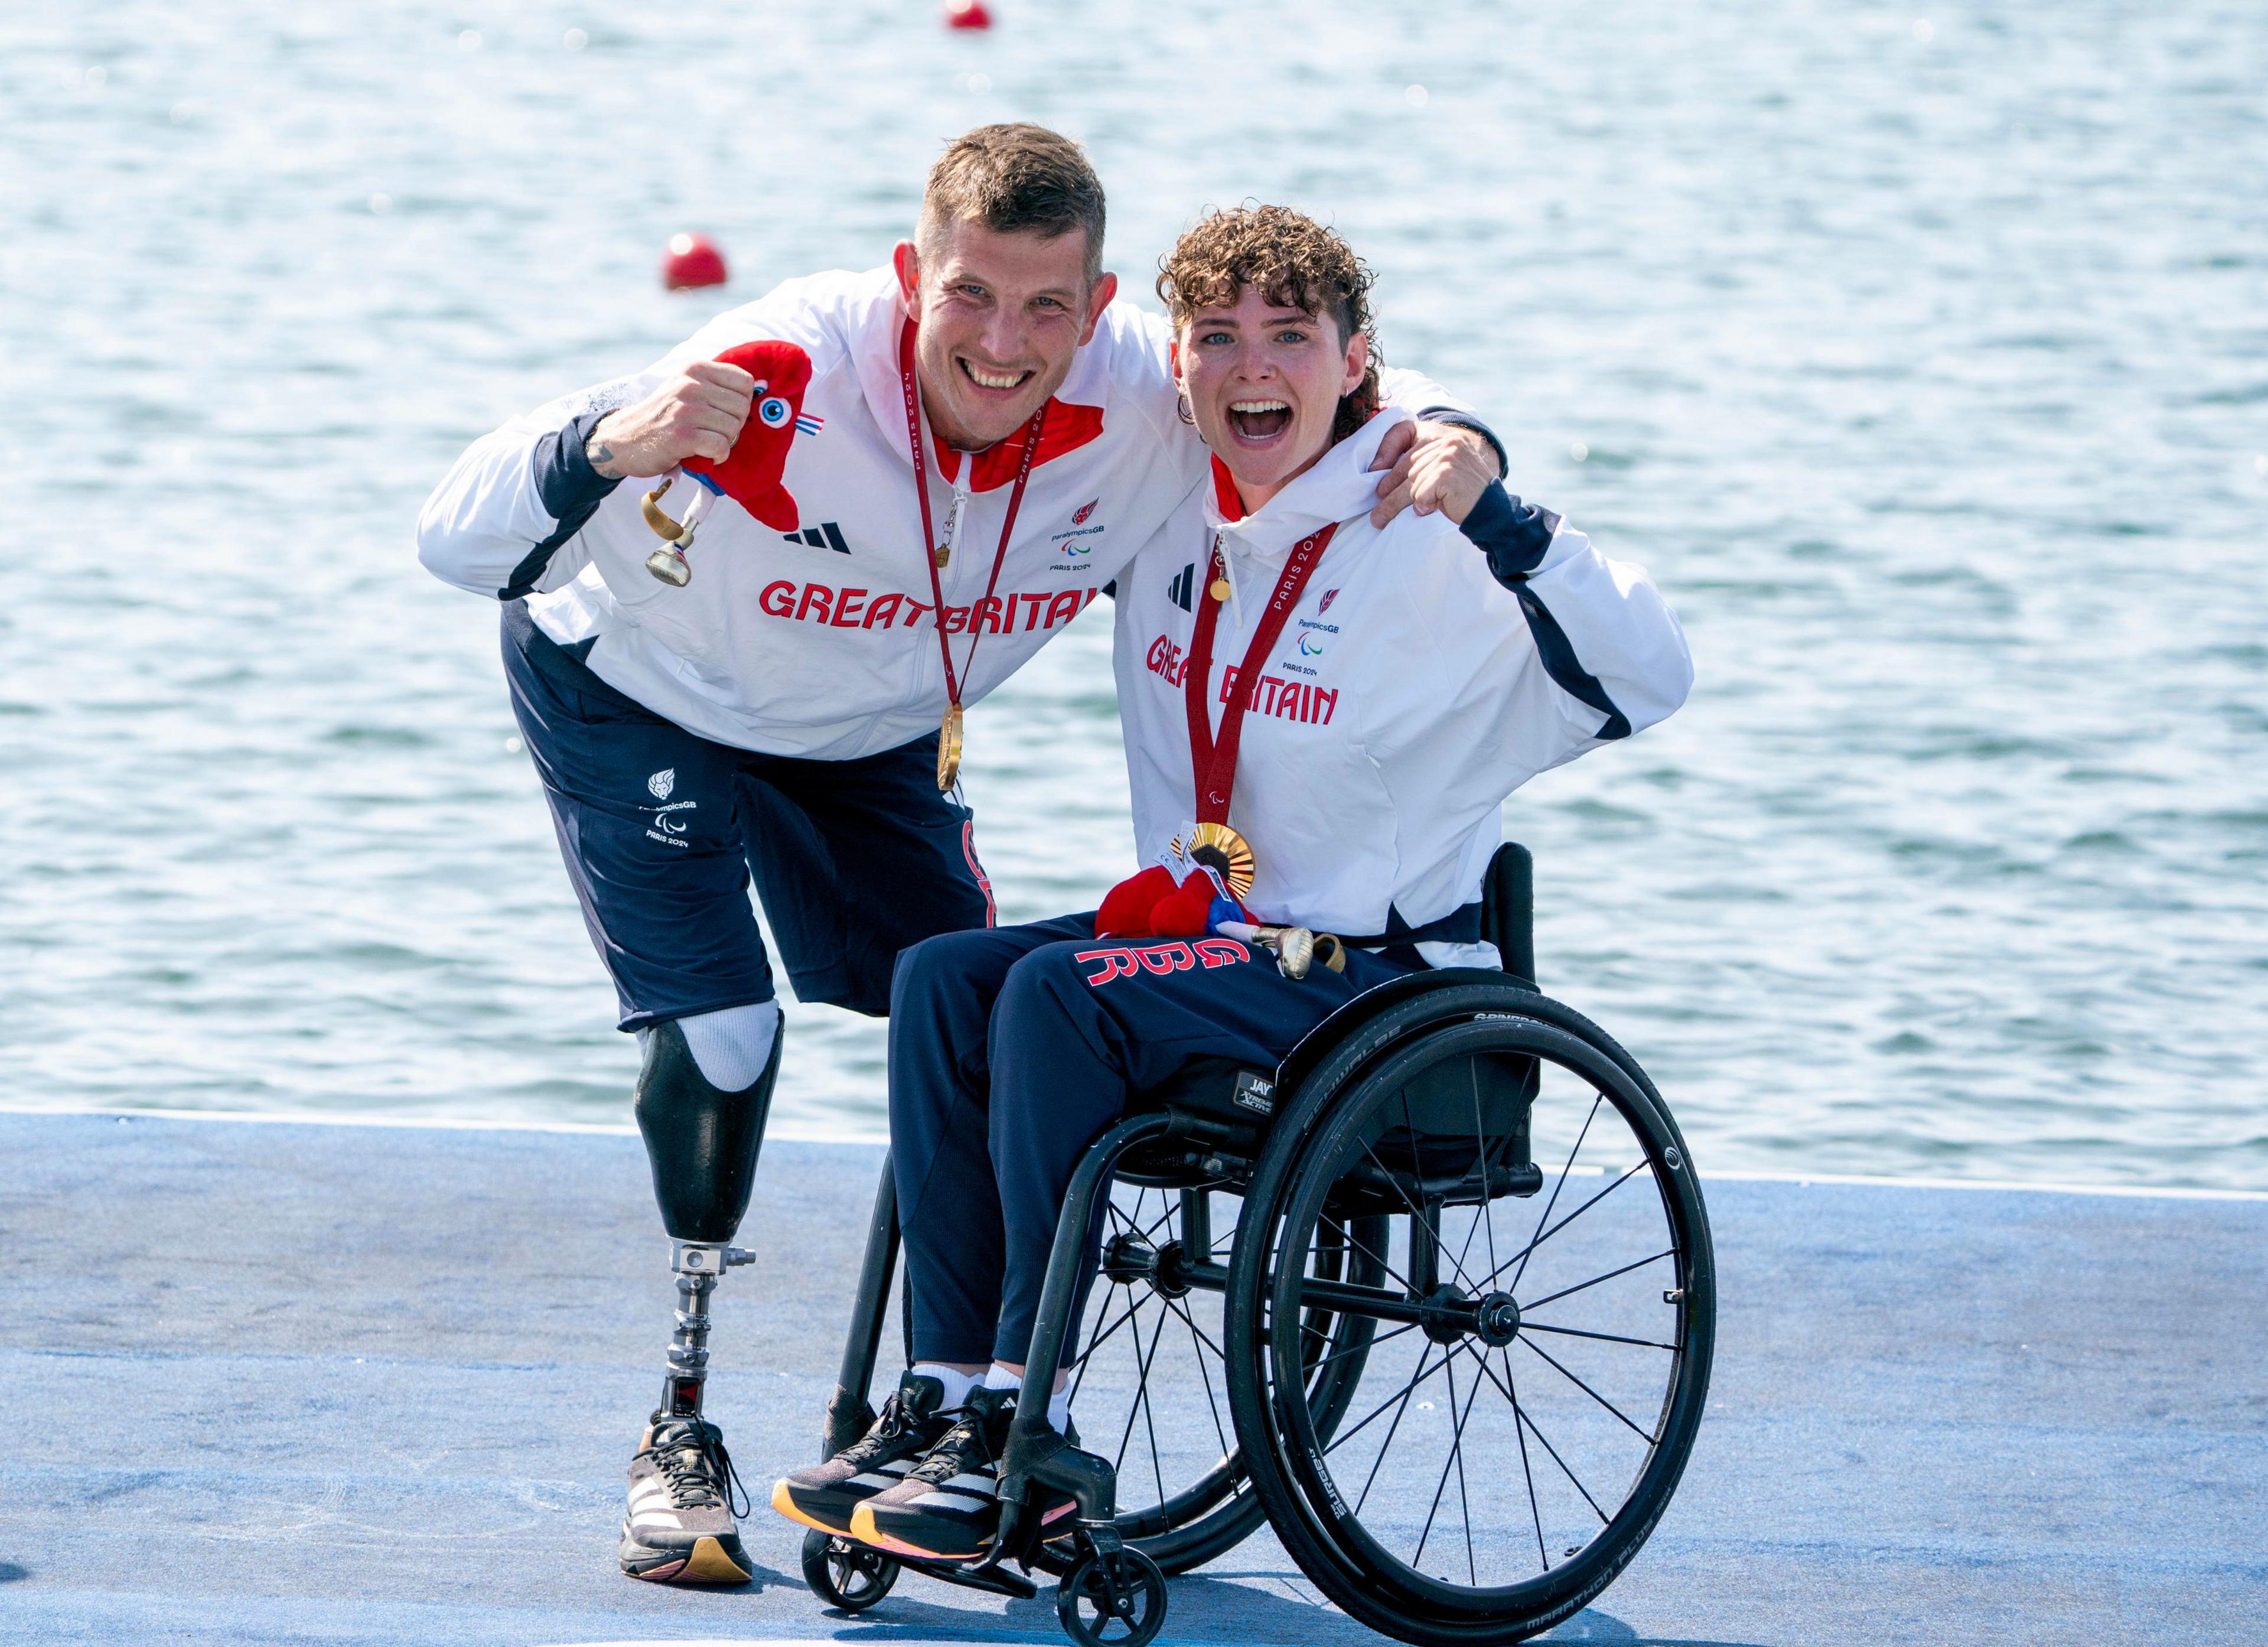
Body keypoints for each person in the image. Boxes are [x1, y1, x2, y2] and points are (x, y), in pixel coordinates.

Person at [414, 126, 1506, 1584]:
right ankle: (679, 1431)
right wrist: (613, 446)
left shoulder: (1138, 393)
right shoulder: (783, 364)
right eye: (970, 297)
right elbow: (453, 535)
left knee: (962, 1011)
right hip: (642, 692)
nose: (1005, 343)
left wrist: (1469, 436)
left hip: (867, 732)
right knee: (733, 1036)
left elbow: (1297, 390)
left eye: (1049, 306)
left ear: (1099, 302)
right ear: (908, 278)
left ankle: (958, 1410)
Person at [770, 204, 1692, 1564]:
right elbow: (1028, 373)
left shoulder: (1420, 527)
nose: (1252, 368)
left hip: (1373, 977)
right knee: (943, 976)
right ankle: (943, 1396)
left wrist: (1495, 502)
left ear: (1356, 358)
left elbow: (1651, 675)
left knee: (1054, 1000)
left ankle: (1033, 1421)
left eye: (1290, 339)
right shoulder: (1169, 507)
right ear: (1180, 361)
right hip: (1206, 940)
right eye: (1218, 338)